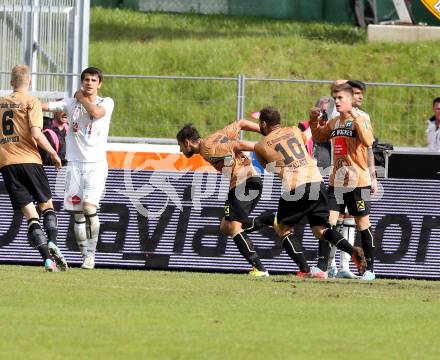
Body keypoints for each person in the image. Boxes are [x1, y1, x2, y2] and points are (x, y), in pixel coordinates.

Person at [252, 106, 367, 278]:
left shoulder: (260, 145)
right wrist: (317, 121)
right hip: (316, 181)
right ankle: (352, 251)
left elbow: (269, 167)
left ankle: (304, 270)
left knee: (282, 227)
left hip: (296, 186)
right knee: (320, 230)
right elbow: (308, 135)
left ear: (263, 124)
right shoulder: (293, 130)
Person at [176, 120, 272, 277]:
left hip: (245, 182)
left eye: (180, 146)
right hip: (242, 184)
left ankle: (260, 268)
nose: (180, 150)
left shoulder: (208, 149)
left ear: (187, 142)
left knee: (234, 226)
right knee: (226, 226)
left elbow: (237, 145)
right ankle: (269, 221)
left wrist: (261, 146)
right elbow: (241, 123)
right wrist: (265, 131)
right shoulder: (217, 135)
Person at [42, 67, 114, 270]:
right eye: (86, 80)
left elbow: (95, 112)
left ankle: (92, 255)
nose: (89, 83)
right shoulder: (69, 103)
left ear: (99, 84)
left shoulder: (106, 102)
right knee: (78, 215)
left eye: (93, 80)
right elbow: (46, 106)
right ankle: (85, 256)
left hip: (96, 165)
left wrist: (81, 97)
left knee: (90, 208)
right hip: (74, 165)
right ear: (81, 81)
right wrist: (25, 104)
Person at [0, 64, 67, 272]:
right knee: (46, 206)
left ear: (11, 82)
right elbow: (37, 134)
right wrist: (54, 153)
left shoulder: (1, 103)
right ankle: (53, 241)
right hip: (30, 159)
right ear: (29, 81)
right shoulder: (32, 102)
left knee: (31, 216)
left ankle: (47, 260)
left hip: (7, 163)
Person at [310, 83, 376, 281]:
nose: (336, 102)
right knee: (327, 222)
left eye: (340, 99)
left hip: (359, 181)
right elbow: (319, 136)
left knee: (362, 223)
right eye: (334, 98)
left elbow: (368, 142)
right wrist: (314, 121)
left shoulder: (361, 119)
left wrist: (356, 118)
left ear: (349, 100)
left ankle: (368, 269)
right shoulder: (335, 122)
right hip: (336, 181)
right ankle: (322, 267)